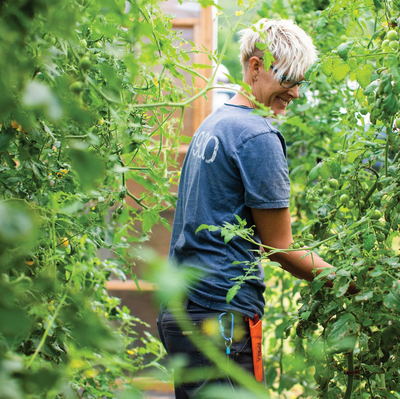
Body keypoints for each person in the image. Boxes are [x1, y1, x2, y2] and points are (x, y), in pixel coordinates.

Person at [157, 18, 334, 398]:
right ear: (255, 67)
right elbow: (281, 249)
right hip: (220, 317)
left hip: (182, 313)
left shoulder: (214, 124)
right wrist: (354, 282)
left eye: (300, 81)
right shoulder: (258, 135)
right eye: (288, 78)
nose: (296, 92)